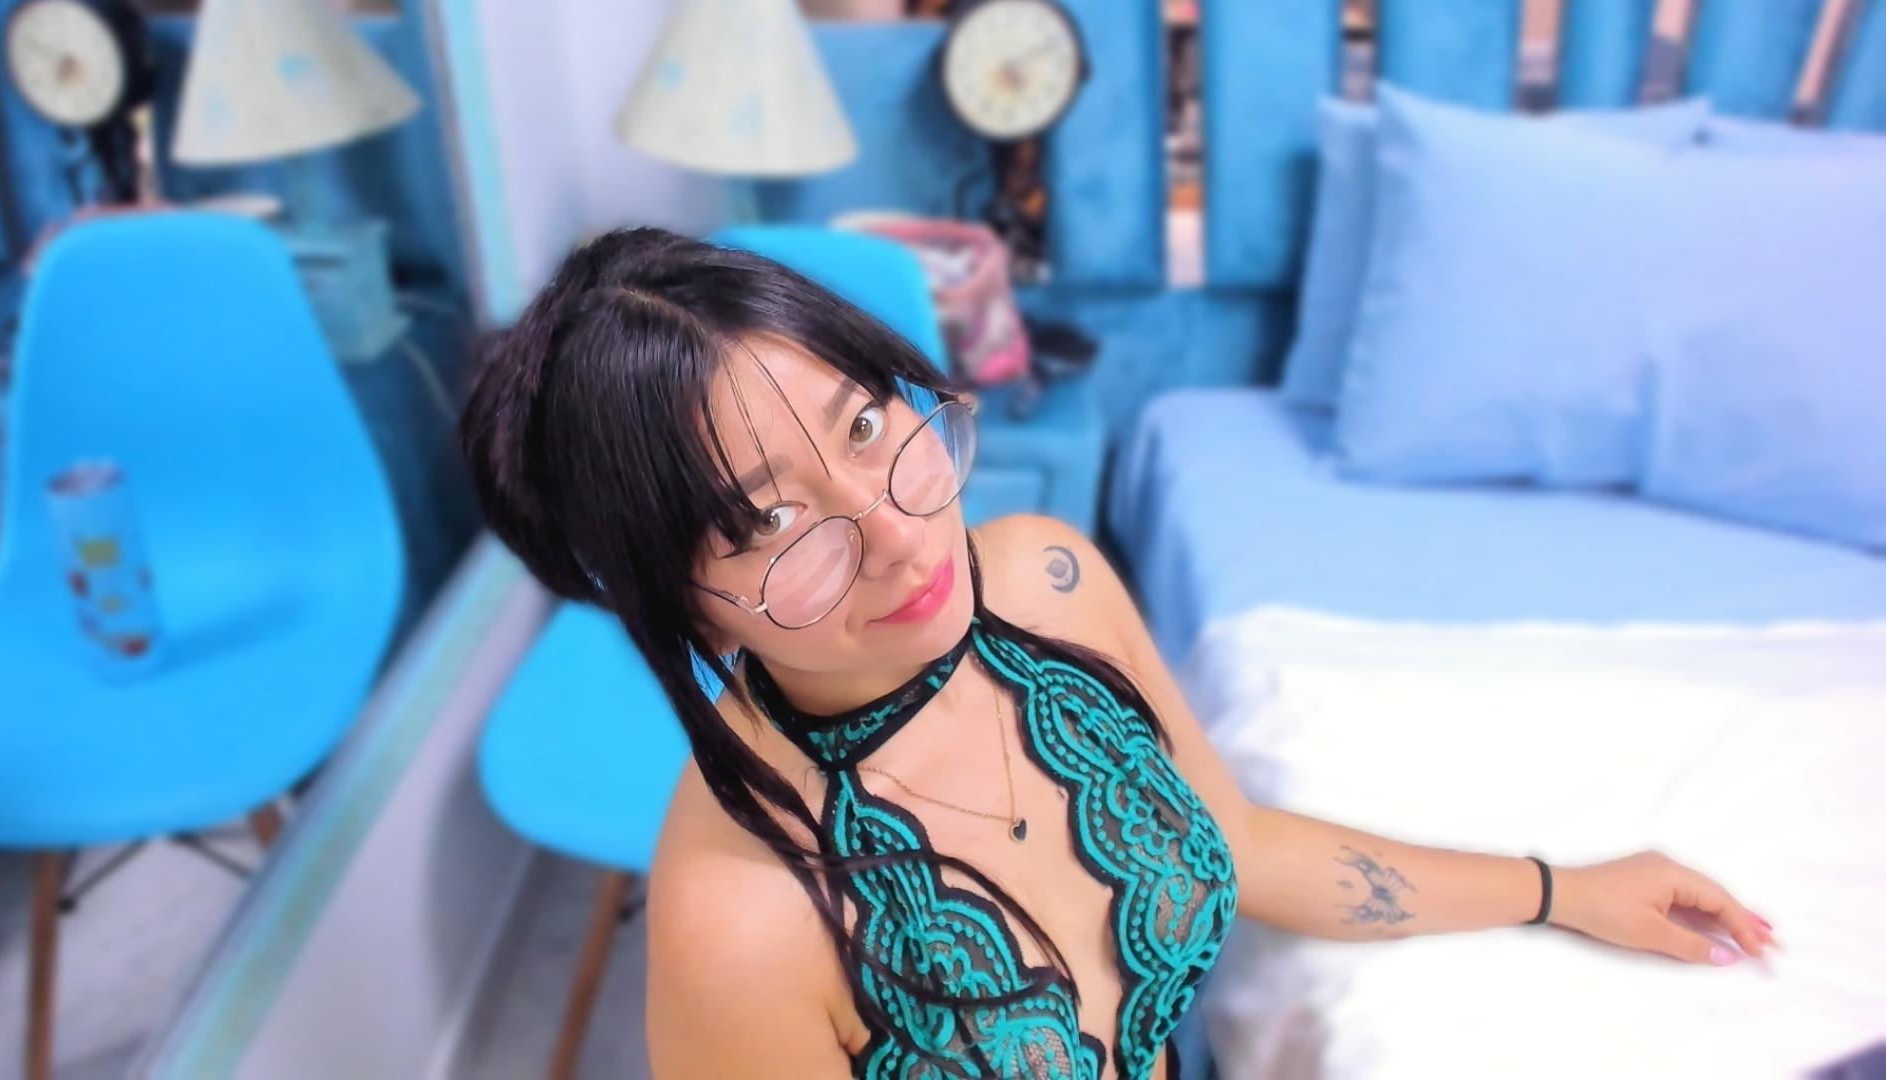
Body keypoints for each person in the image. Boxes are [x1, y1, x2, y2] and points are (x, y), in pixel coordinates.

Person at [459, 227, 1774, 1080]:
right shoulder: (741, 922)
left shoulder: (1048, 581)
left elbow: (1242, 846)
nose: (900, 534)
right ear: (670, 603)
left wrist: (1561, 890)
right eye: (767, 522)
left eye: (864, 426)